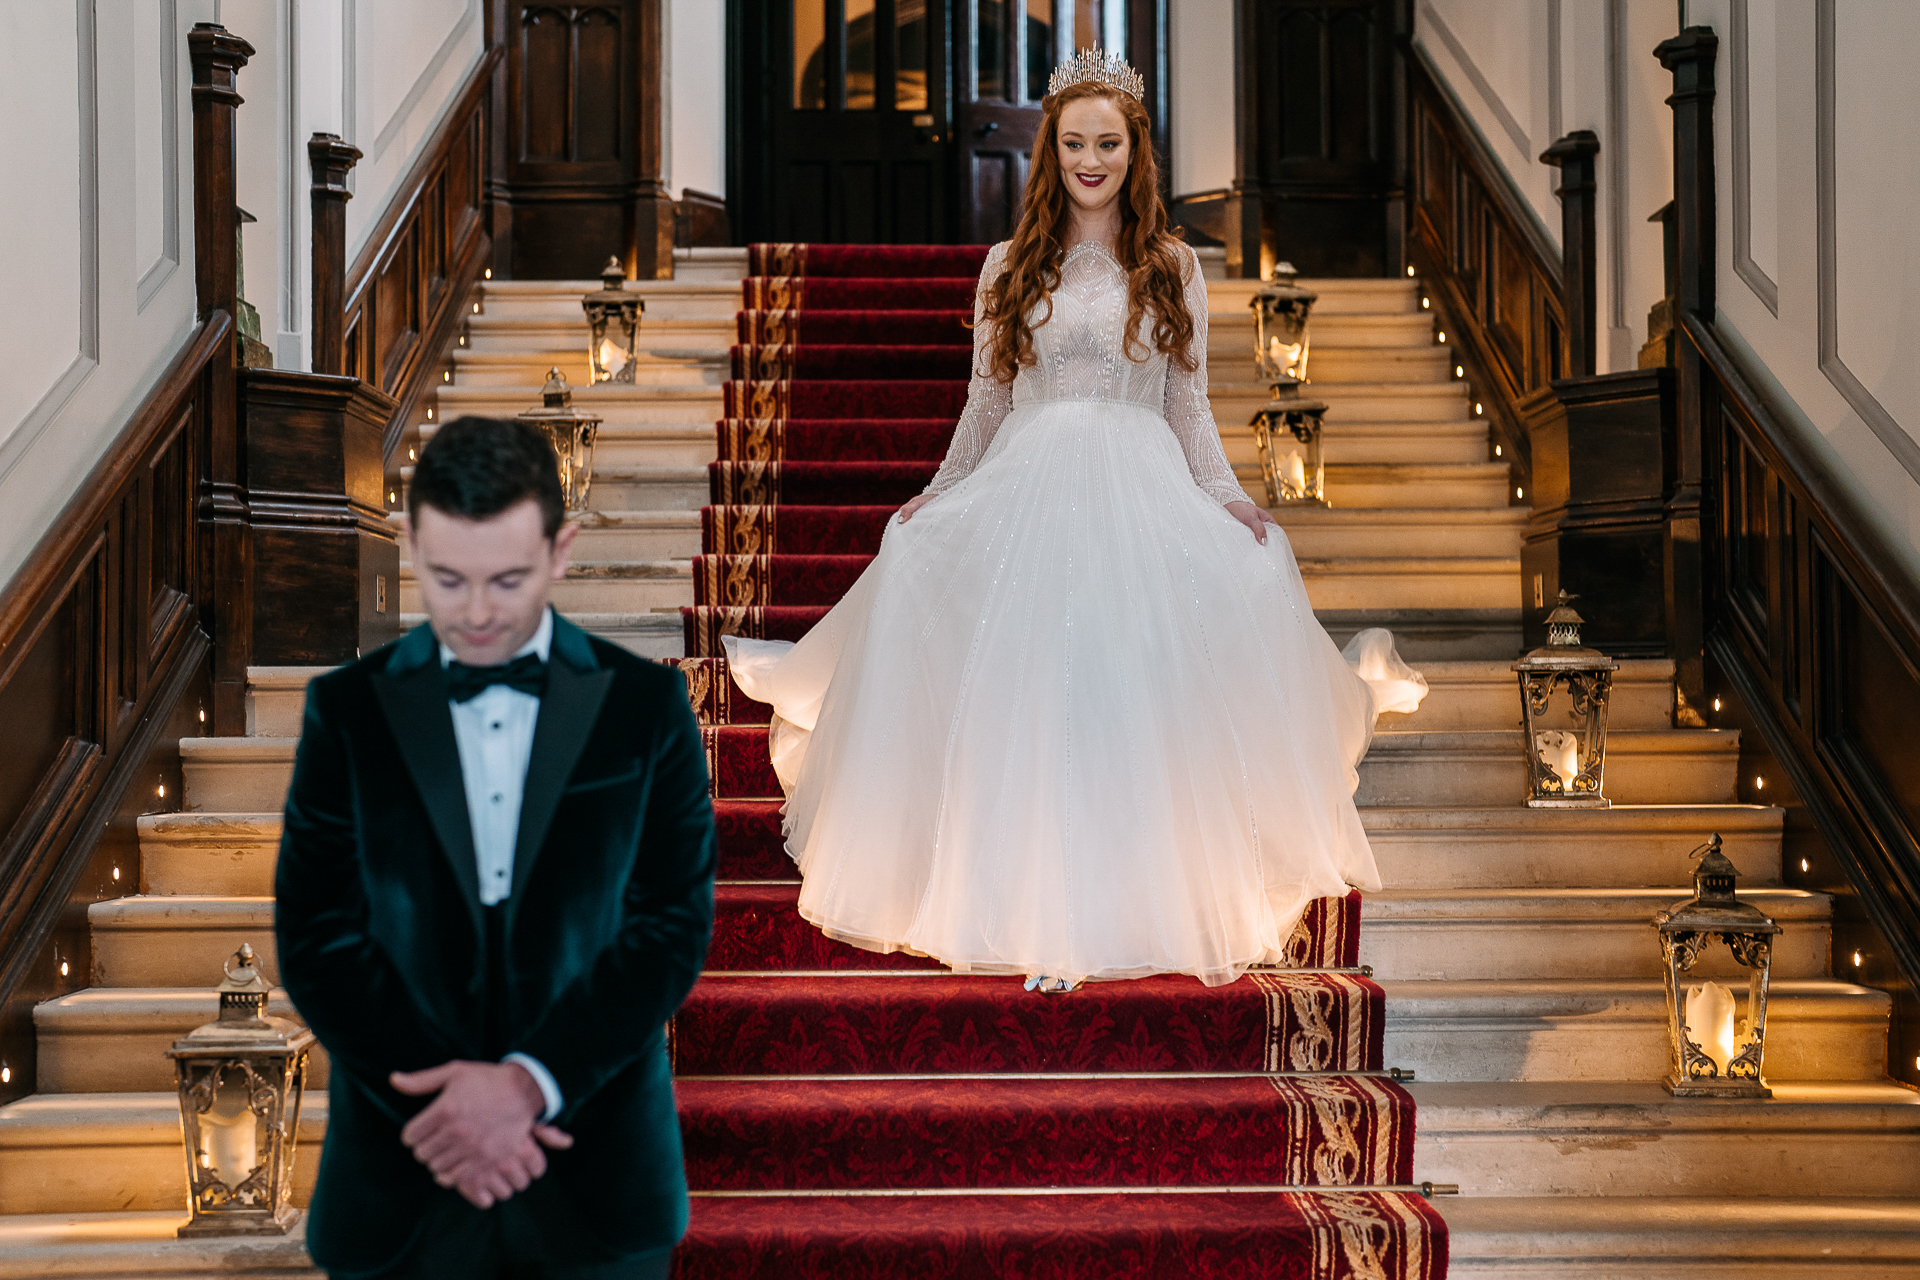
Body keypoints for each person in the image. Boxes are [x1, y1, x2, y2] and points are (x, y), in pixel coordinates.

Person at [724, 52, 1425, 992]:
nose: (1091, 159)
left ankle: (1121, 893)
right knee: (1029, 684)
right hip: (1029, 479)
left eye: (1109, 143)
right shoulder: (1009, 266)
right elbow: (985, 398)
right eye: (1073, 143)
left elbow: (1188, 404)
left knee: (1121, 680)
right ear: (1048, 153)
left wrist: (1227, 499)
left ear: (1137, 153)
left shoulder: (1171, 265)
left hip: (1140, 484)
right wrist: (937, 490)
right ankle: (1024, 896)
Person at [275, 416, 716, 1279]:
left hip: (597, 1180)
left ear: (562, 549)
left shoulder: (646, 710)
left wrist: (527, 1084)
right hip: (405, 1180)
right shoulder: (346, 712)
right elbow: (319, 933)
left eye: (507, 580)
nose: (476, 615)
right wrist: (453, 1108)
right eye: (447, 580)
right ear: (407, 542)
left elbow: (669, 926)